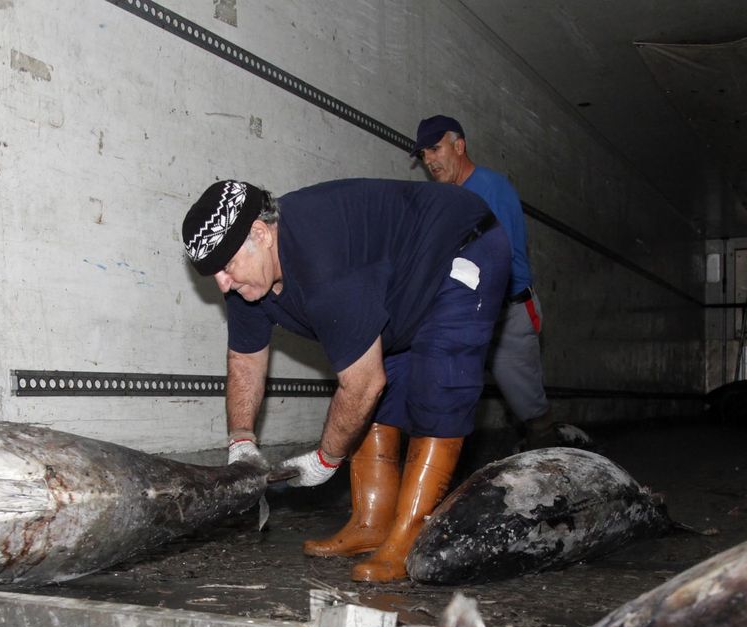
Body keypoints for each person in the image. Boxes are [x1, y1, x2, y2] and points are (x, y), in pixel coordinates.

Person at [180, 177, 511, 582]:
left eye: (226, 266)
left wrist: (326, 458)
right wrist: (241, 441)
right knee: (380, 400)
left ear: (261, 233)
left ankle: (408, 538)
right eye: (213, 273)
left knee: (437, 388)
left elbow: (362, 383)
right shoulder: (247, 283)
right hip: (397, 281)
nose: (222, 284)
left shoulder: (324, 263)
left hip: (461, 247)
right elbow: (245, 360)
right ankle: (371, 523)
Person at [414, 115, 562, 449]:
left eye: (435, 149)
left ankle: (551, 461)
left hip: (508, 314)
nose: (429, 161)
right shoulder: (448, 198)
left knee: (529, 407)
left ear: (459, 145)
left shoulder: (491, 189)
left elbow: (500, 261)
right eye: (424, 154)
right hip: (471, 313)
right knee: (445, 392)